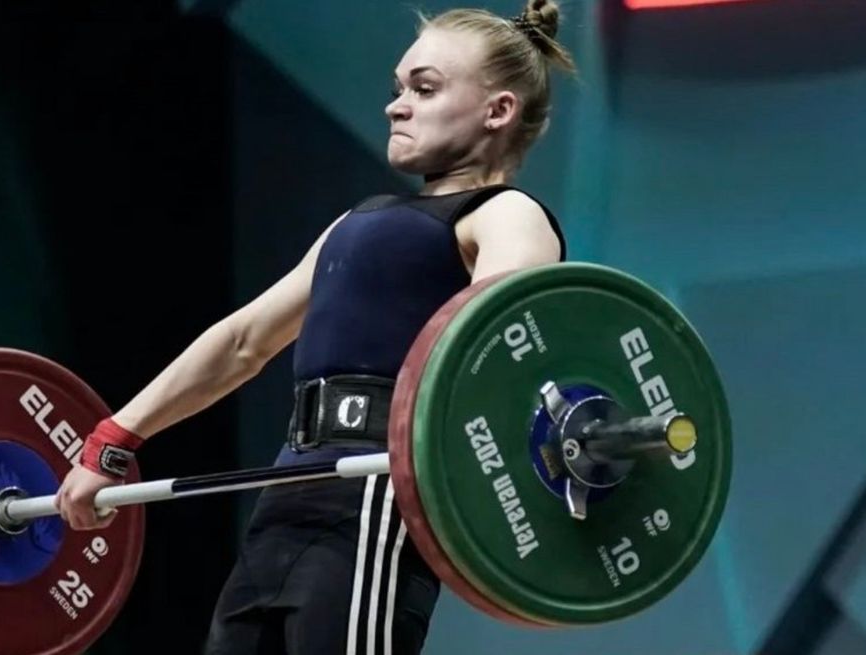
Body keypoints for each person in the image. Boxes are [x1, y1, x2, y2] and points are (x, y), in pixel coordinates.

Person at [55, 1, 576, 652]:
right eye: (397, 88)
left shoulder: (506, 214)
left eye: (424, 89)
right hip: (287, 494)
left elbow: (496, 347)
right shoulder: (361, 221)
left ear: (497, 110)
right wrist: (114, 439)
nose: (395, 106)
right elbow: (244, 342)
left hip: (382, 496)